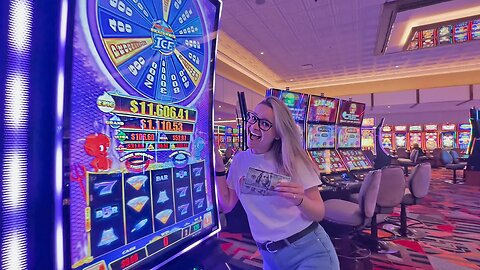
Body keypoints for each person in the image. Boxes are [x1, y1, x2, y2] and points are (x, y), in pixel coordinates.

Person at [214, 96, 340, 270]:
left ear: (278, 134)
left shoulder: (292, 159)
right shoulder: (239, 160)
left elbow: (319, 213)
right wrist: (218, 169)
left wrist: (299, 199)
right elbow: (226, 205)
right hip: (270, 257)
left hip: (308, 251)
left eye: (265, 123)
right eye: (253, 118)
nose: (255, 126)